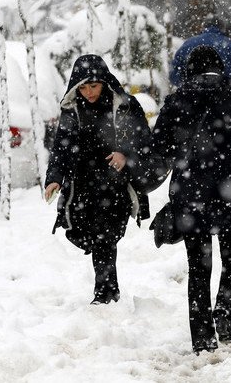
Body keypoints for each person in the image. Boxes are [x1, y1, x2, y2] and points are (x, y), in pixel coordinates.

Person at [153, 46, 231, 355]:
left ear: (189, 70)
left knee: (198, 268)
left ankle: (202, 338)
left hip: (190, 196)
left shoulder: (175, 102)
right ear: (221, 69)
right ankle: (224, 310)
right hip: (230, 193)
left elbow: (158, 150)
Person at [44, 54, 159, 305]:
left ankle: (105, 292)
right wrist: (54, 178)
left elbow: (143, 142)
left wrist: (125, 155)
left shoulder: (125, 105)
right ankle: (107, 288)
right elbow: (61, 147)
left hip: (115, 183)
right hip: (82, 183)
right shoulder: (72, 109)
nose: (88, 92)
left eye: (93, 86)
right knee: (79, 234)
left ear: (104, 82)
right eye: (83, 87)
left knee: (104, 237)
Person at [169, 18, 231, 89]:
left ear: (204, 27)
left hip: (192, 95)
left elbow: (174, 75)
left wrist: (185, 84)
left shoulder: (188, 44)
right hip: (222, 96)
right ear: (222, 29)